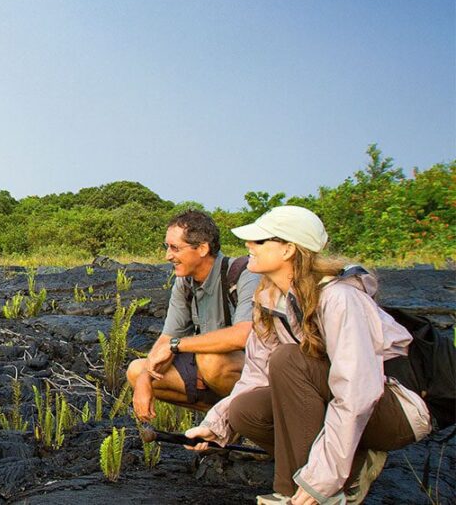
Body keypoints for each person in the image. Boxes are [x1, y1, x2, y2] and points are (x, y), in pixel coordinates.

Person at [185, 206, 431, 505]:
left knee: (289, 361)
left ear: (289, 249)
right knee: (244, 410)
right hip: (347, 403)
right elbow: (255, 375)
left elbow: (357, 394)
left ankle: (300, 491)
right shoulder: (270, 298)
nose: (249, 245)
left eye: (260, 241)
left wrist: (321, 480)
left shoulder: (341, 298)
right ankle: (334, 472)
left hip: (396, 411)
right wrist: (216, 425)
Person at [128, 210, 260, 421]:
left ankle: (250, 421)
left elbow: (244, 334)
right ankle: (220, 419)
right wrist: (144, 379)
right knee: (136, 370)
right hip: (214, 373)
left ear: (202, 248)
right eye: (167, 247)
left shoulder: (244, 274)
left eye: (175, 248)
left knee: (211, 362)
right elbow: (166, 338)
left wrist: (177, 345)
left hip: (261, 374)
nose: (167, 256)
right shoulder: (185, 283)